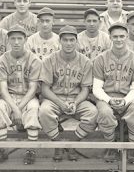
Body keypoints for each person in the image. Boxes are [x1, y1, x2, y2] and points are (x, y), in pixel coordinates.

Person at [39, 25, 98, 162]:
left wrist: (75, 102)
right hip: (55, 98)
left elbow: (85, 89)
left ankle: (72, 143)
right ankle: (58, 143)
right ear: (60, 41)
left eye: (72, 40)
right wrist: (60, 103)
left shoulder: (85, 61)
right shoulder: (49, 60)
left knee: (93, 112)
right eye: (65, 40)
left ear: (77, 41)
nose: (69, 43)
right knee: (44, 111)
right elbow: (45, 89)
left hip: (76, 98)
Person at [93, 22, 134, 164]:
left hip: (128, 97)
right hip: (106, 96)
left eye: (122, 36)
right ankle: (111, 145)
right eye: (115, 36)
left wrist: (125, 100)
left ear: (127, 36)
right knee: (104, 113)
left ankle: (132, 146)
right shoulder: (100, 58)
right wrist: (109, 100)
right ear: (110, 37)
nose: (119, 39)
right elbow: (97, 88)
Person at [0, 24, 42, 164]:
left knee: (33, 108)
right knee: (0, 106)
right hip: (9, 96)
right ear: (8, 40)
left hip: (27, 96)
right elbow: (3, 89)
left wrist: (18, 108)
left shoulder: (34, 59)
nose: (16, 42)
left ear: (25, 39)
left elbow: (33, 88)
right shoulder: (3, 59)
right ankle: (2, 149)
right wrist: (14, 108)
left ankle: (30, 150)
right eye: (13, 38)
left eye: (19, 38)